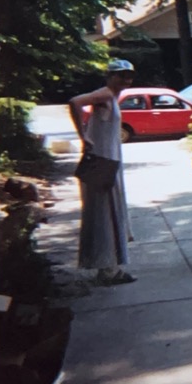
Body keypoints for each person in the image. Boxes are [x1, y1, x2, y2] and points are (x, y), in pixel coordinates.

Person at [69, 59, 136, 285]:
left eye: (129, 76)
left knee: (108, 213)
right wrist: (83, 136)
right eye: (121, 75)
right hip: (102, 162)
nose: (126, 80)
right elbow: (75, 102)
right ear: (110, 76)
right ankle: (108, 270)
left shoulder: (112, 97)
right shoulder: (105, 94)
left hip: (109, 160)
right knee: (103, 213)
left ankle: (108, 266)